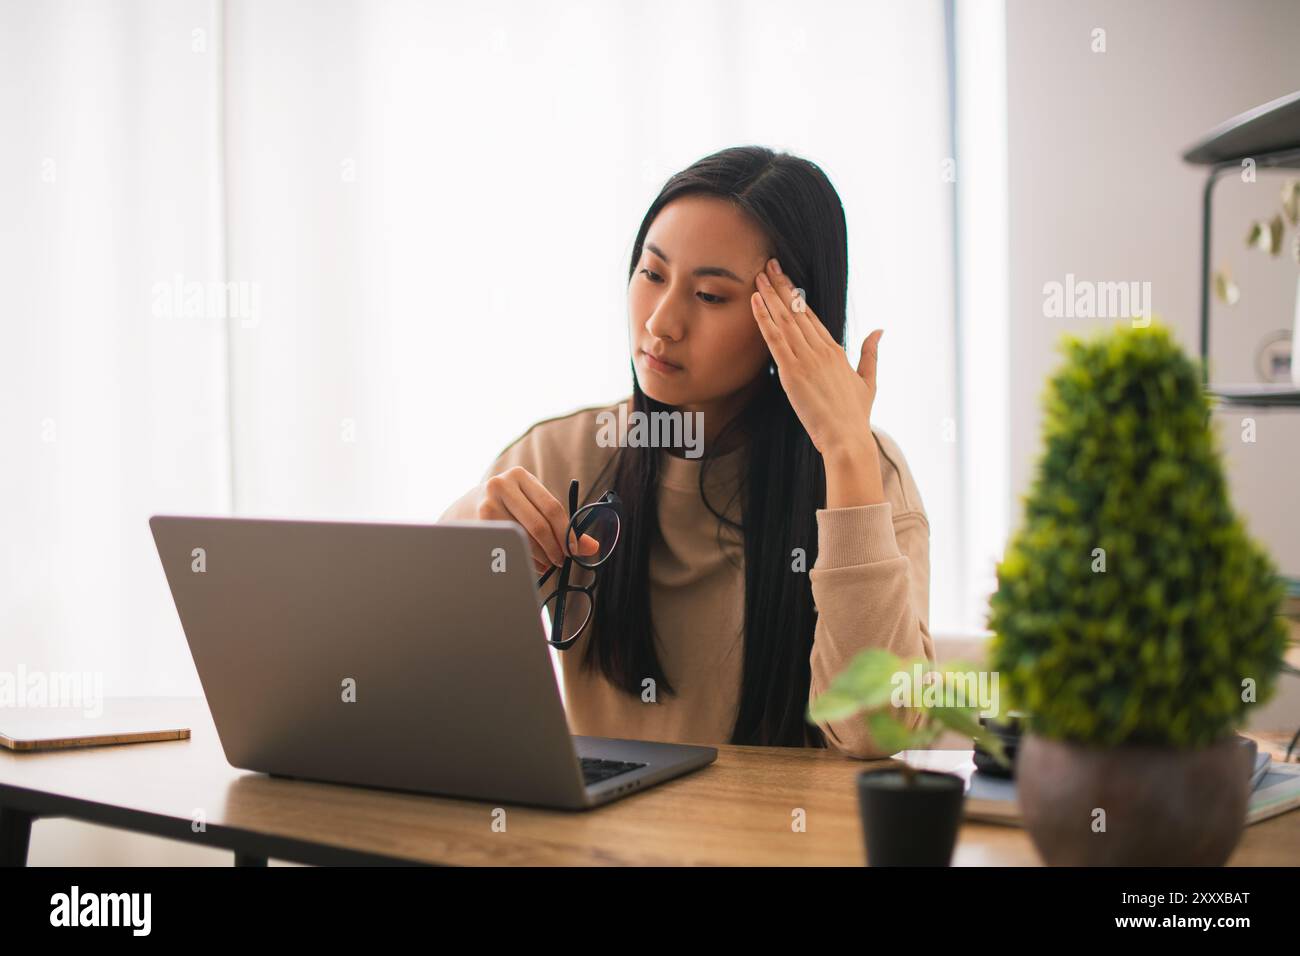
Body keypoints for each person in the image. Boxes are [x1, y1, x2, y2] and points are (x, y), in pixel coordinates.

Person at [441, 145, 932, 757]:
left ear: (791, 320)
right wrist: (470, 533)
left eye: (709, 296)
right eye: (652, 275)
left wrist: (847, 452)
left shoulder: (864, 474)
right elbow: (415, 667)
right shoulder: (564, 457)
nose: (661, 323)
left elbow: (875, 729)